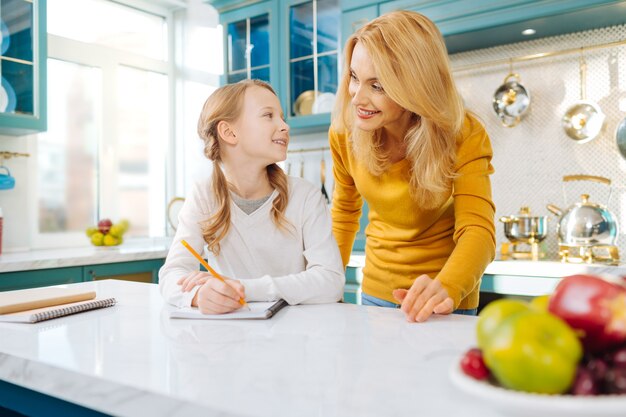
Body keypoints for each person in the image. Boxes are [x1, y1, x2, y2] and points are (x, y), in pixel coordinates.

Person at [329, 11, 495, 322]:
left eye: (377, 86)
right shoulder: (345, 132)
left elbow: (478, 229)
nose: (357, 98)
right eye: (354, 78)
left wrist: (448, 286)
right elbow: (343, 215)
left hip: (445, 298)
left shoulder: (464, 133)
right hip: (375, 293)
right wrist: (326, 286)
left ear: (415, 86)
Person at [160, 79, 344, 314]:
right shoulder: (204, 196)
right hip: (232, 337)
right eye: (268, 115)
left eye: (283, 117)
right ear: (229, 132)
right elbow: (171, 274)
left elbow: (331, 281)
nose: (284, 126)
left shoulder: (305, 196)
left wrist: (245, 289)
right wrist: (197, 295)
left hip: (296, 338)